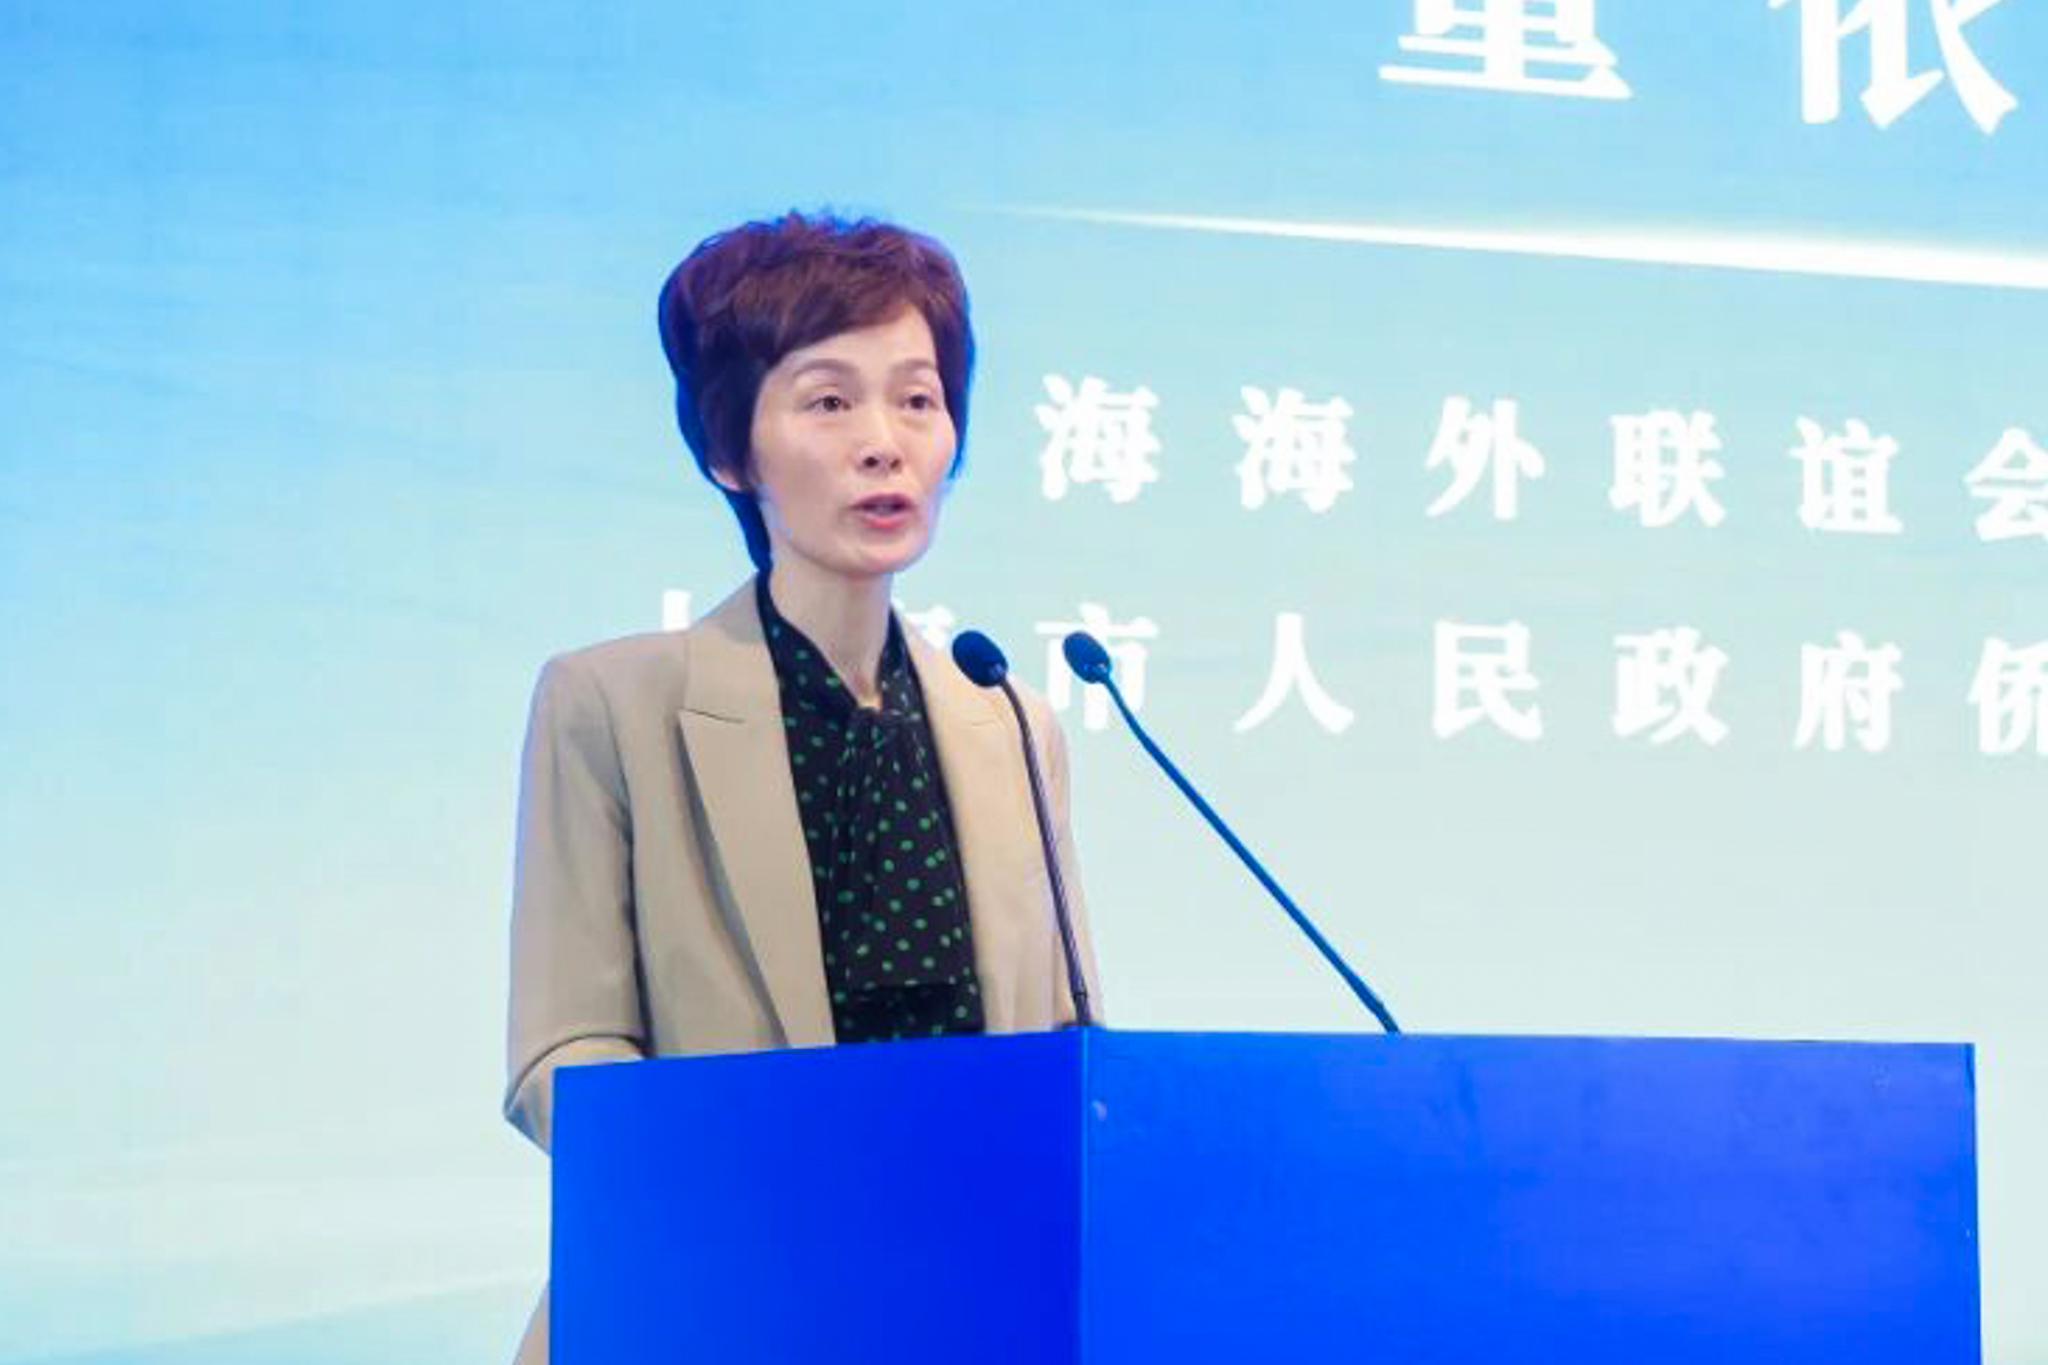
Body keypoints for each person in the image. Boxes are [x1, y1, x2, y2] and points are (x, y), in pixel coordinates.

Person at [501, 211, 1101, 1364]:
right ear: (730, 454)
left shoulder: (1009, 722)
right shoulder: (611, 705)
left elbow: (1069, 1047)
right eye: (828, 402)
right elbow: (559, 1061)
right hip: (707, 1305)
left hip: (968, 1312)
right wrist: (781, 1202)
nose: (885, 444)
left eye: (917, 399)